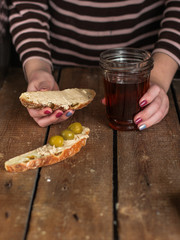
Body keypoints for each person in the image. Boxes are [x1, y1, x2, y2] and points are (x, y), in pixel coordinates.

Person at [8, 0, 179, 129]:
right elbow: (28, 4)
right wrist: (38, 69)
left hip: (149, 68)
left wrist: (157, 78)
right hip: (58, 68)